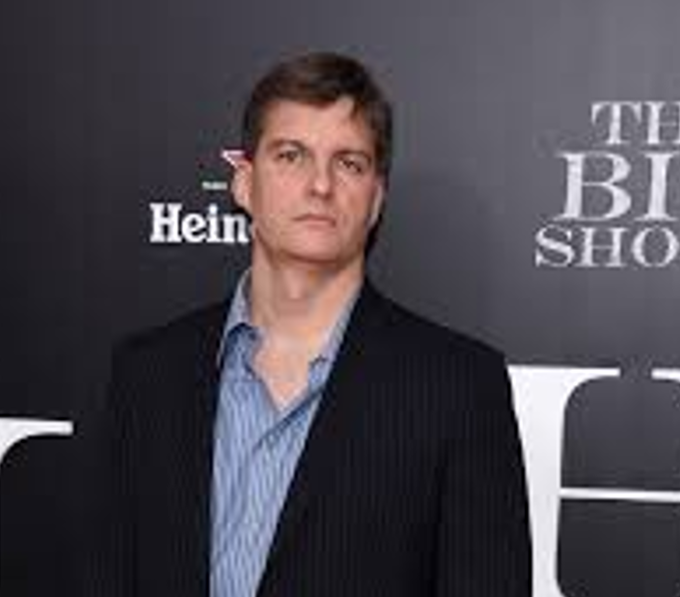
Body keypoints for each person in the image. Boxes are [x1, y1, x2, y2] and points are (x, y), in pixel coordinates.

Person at [88, 51, 530, 597]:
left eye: (349, 163)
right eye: (291, 156)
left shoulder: (458, 386)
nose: (320, 184)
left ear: (376, 200)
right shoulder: (147, 374)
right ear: (244, 184)